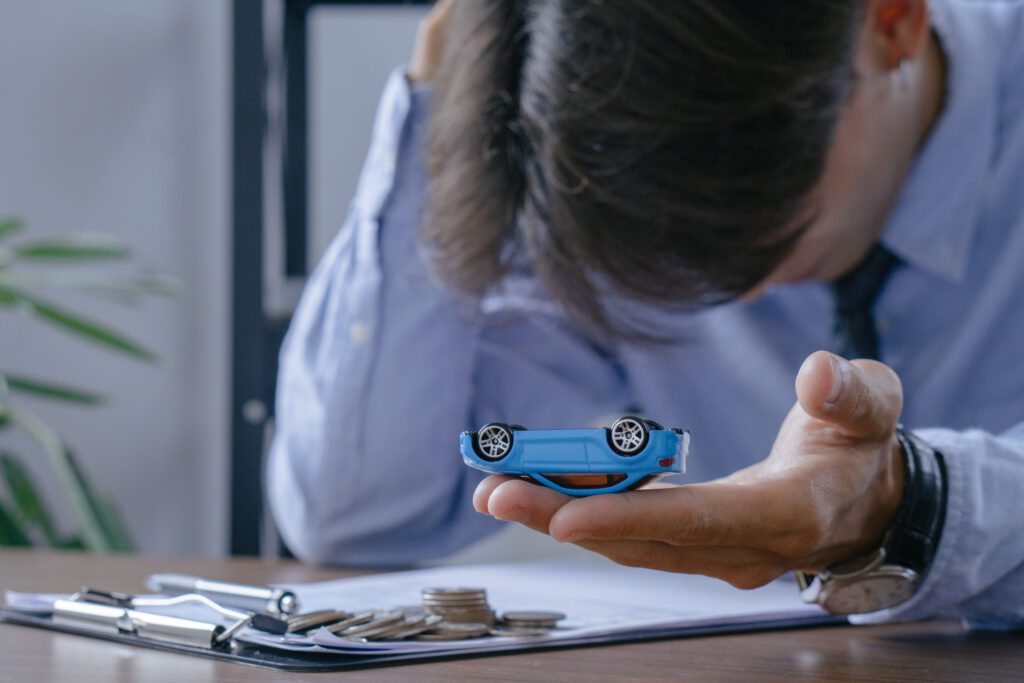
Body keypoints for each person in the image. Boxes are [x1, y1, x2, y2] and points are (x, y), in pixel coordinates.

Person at [268, 0, 1024, 624]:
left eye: (767, 225)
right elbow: (358, 516)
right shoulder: (602, 162)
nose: (730, 294)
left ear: (892, 21)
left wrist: (908, 505)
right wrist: (440, 127)